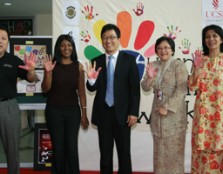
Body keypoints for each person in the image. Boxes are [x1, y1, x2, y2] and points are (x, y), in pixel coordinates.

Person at [85, 23, 140, 174]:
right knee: (105, 154)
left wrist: (133, 112)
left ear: (119, 39)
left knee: (124, 154)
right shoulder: (96, 60)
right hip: (103, 114)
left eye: (111, 37)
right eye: (104, 38)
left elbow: (135, 90)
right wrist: (91, 80)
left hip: (123, 114)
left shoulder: (129, 60)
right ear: (101, 40)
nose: (108, 41)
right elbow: (91, 88)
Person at [41, 34, 89, 174]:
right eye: (63, 45)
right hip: (54, 111)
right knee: (58, 147)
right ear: (58, 48)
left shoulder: (78, 66)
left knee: (71, 146)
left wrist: (84, 114)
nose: (66, 48)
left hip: (73, 112)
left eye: (69, 45)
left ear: (73, 48)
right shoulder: (52, 65)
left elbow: (81, 92)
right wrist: (48, 73)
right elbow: (45, 89)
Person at [141, 36, 188, 174]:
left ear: (172, 50)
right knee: (159, 155)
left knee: (174, 156)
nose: (163, 50)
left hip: (174, 118)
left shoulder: (179, 65)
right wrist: (149, 78)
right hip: (158, 117)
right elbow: (145, 87)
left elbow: (182, 89)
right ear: (156, 51)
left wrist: (167, 107)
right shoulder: (154, 65)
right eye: (160, 48)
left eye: (166, 47)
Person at [0, 26, 38, 174]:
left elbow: (31, 79)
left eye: (3, 38)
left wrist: (31, 70)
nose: (0, 41)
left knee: (12, 148)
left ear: (7, 42)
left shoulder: (13, 60)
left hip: (8, 106)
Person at [188, 24, 223, 173]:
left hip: (220, 115)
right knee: (203, 151)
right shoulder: (200, 60)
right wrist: (196, 68)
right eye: (207, 37)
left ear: (221, 39)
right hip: (203, 117)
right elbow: (192, 86)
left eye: (214, 36)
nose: (211, 39)